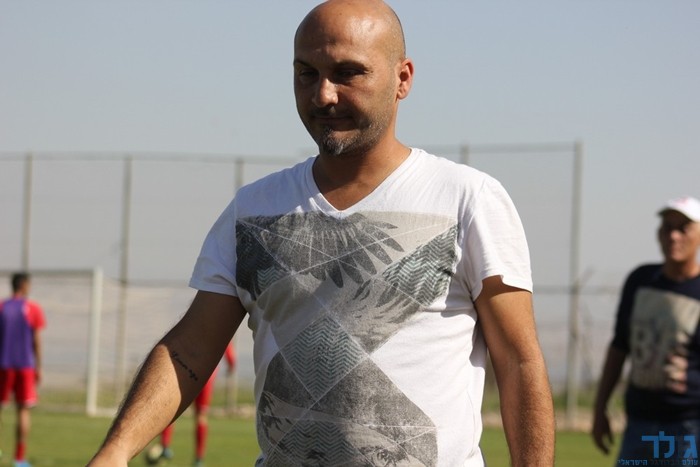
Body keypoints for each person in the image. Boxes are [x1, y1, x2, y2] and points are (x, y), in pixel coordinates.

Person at [88, 1, 554, 465]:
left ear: (403, 79)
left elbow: (518, 362)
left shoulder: (467, 198)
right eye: (306, 74)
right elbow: (191, 349)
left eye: (348, 73)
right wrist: (116, 450)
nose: (323, 95)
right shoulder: (253, 210)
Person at [592, 195, 700, 463]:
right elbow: (619, 347)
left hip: (688, 427)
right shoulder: (640, 280)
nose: (674, 236)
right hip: (639, 424)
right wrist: (600, 407)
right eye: (667, 228)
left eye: (683, 228)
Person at [145, 342, 235, 467]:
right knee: (201, 416)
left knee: (171, 407)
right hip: (206, 376)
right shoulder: (218, 329)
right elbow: (229, 353)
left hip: (186, 370)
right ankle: (198, 459)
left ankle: (165, 446)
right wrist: (230, 365)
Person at [0, 273, 46, 467]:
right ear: (25, 285)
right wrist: (39, 366)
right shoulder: (32, 308)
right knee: (23, 410)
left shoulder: (2, 307)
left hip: (3, 364)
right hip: (25, 366)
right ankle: (19, 458)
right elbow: (36, 341)